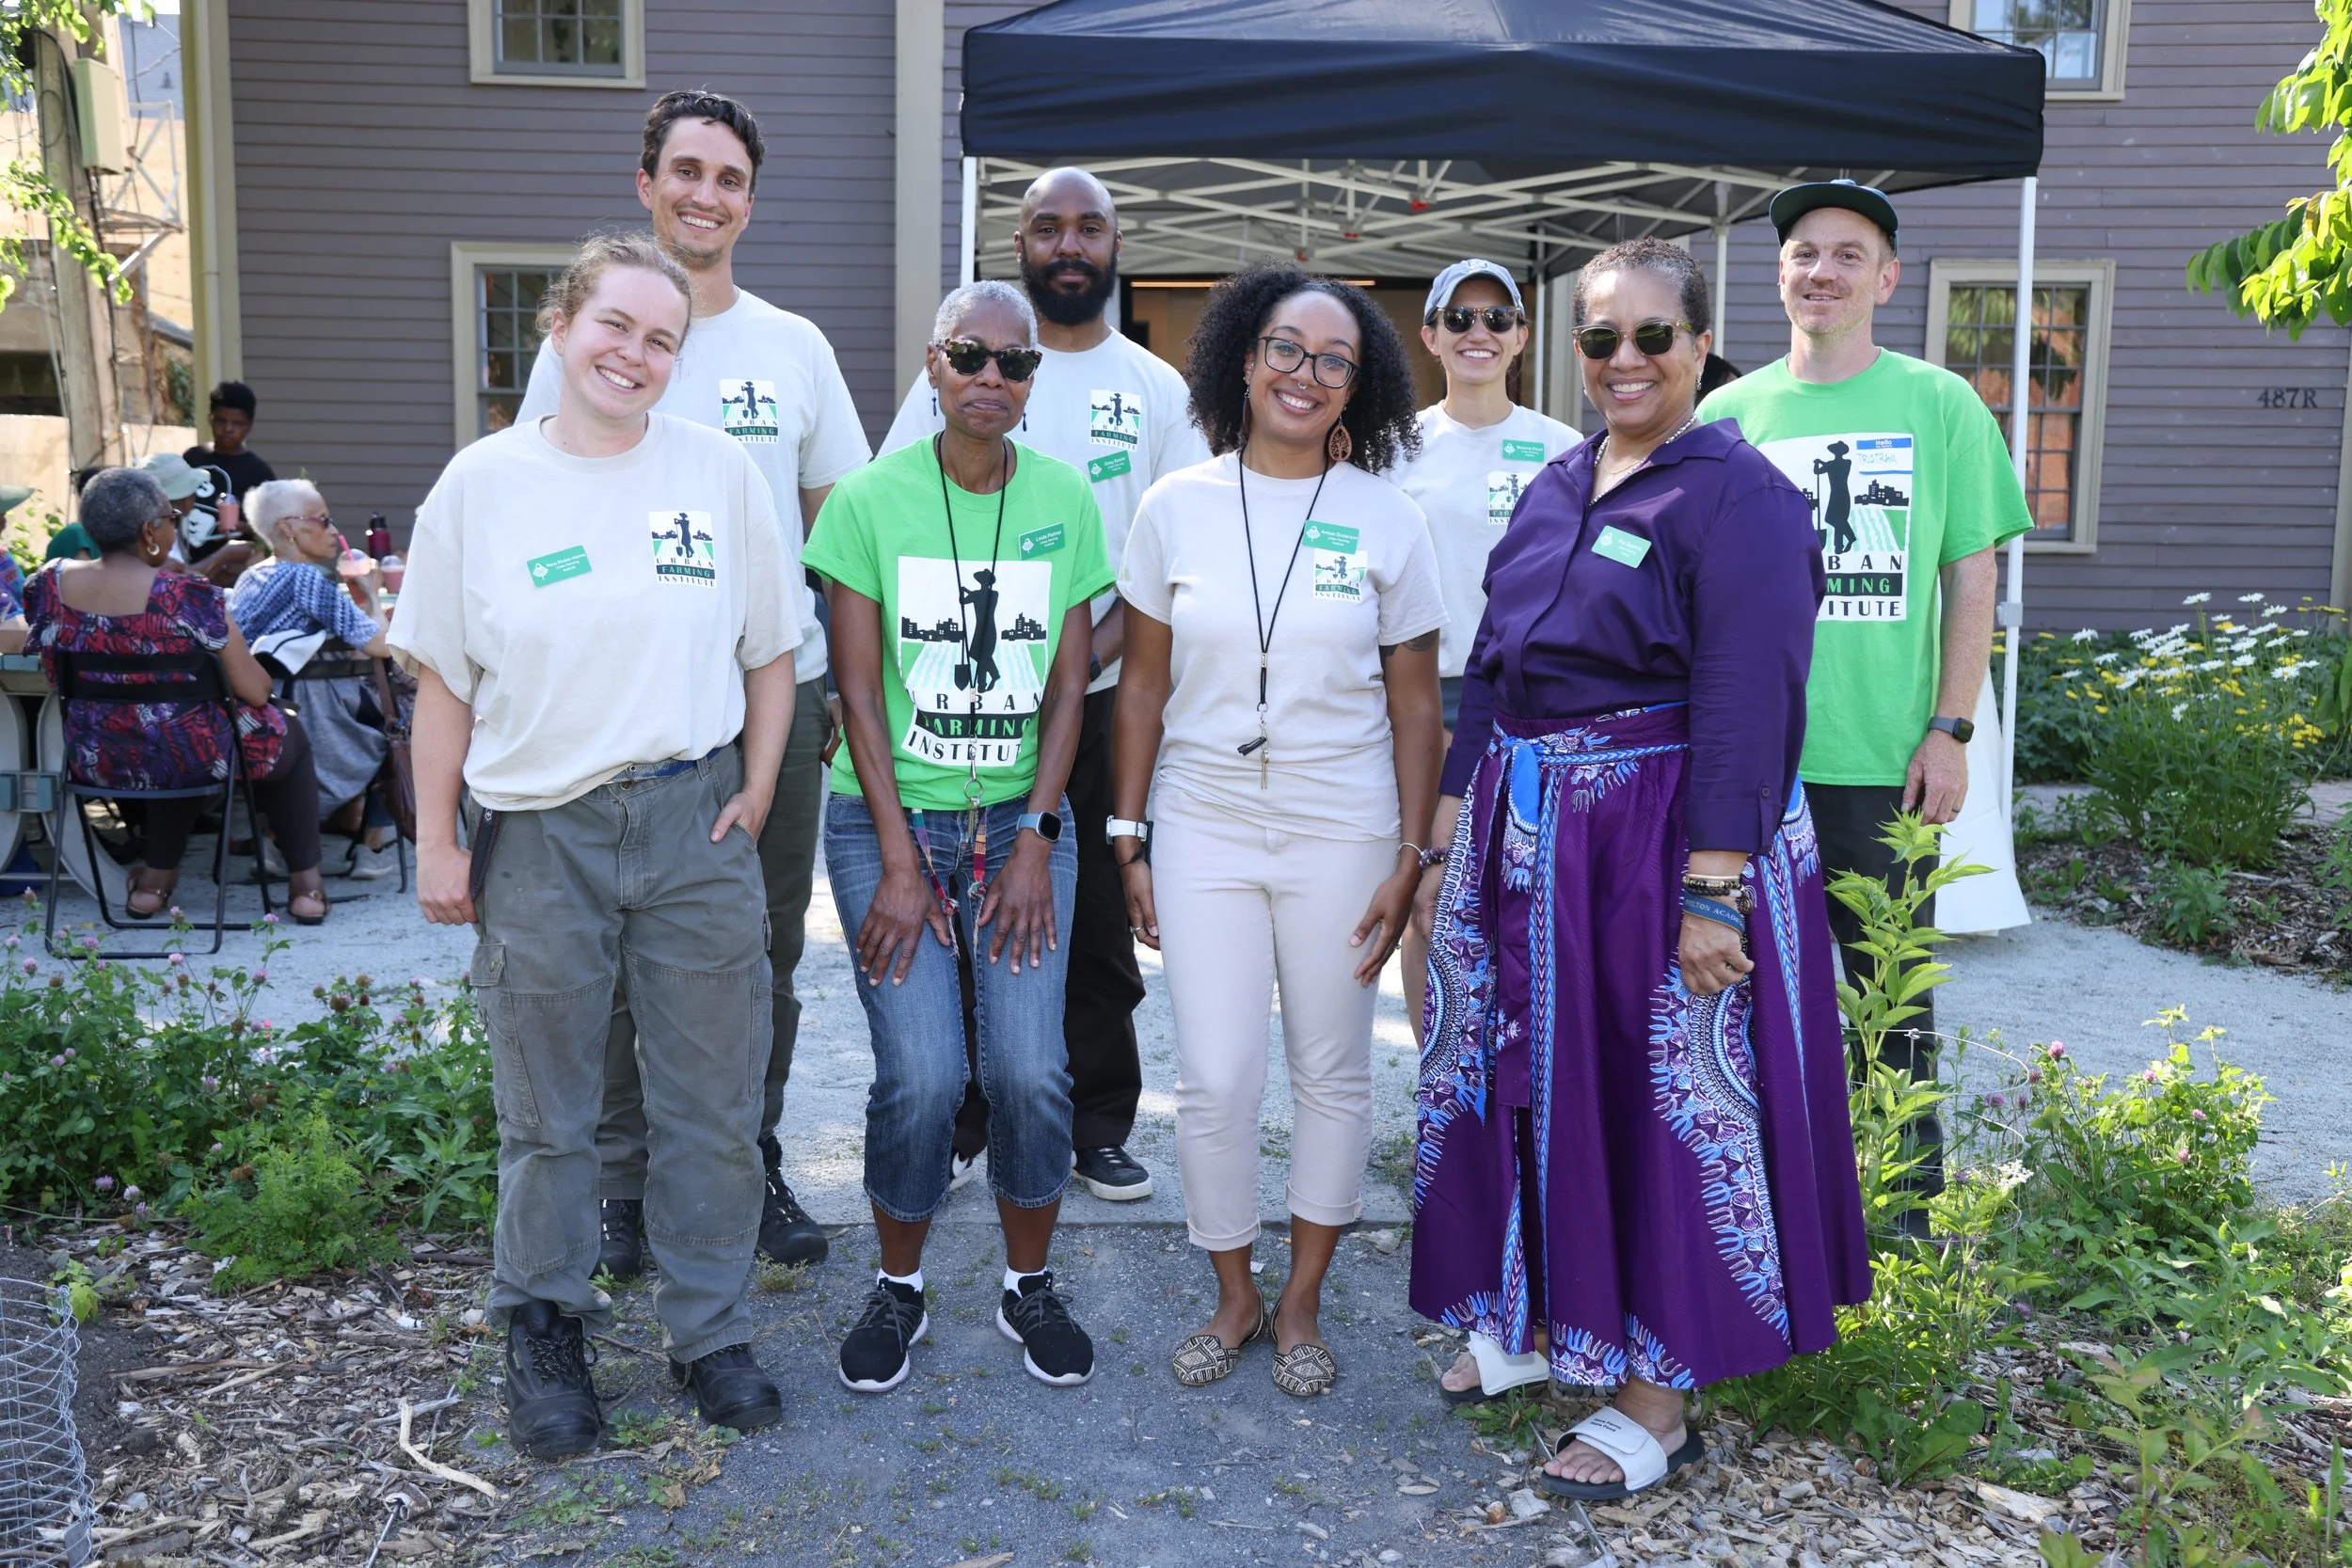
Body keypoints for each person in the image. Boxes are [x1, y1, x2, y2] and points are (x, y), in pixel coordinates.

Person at [1411, 238, 1869, 1497]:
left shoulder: (1743, 497)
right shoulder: (1556, 482)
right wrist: (1447, 837)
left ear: (1699, 345)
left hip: (1661, 841)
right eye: (1602, 337)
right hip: (1530, 836)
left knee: (1652, 1101)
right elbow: (1496, 668)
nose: (1625, 359)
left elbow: (1746, 701)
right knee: (1516, 1074)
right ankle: (1541, 1317)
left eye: (1652, 337)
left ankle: (1655, 1400)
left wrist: (1711, 887)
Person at [396, 232, 801, 1456]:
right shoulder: (479, 486)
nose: (635, 352)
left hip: (693, 819)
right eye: (614, 325)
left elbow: (772, 652)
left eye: (661, 337)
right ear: (562, 329)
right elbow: (444, 687)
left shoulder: (719, 473)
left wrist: (761, 787)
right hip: (540, 832)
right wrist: (434, 839)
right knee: (549, 1113)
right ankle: (545, 1329)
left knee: (712, 1108)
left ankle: (710, 1330)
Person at [516, 89, 868, 1275]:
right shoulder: (585, 342)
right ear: (645, 184)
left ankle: (745, 1164)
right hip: (620, 715)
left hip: (770, 708)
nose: (704, 193)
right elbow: (530, 507)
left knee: (760, 957)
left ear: (749, 203)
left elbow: (842, 535)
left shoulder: (794, 347)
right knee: (616, 957)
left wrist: (833, 693)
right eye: (685, 171)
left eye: (727, 177)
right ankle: (623, 1189)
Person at [1113, 262, 1443, 1398]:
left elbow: (1415, 702)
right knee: (1212, 1073)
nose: (1306, 374)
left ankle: (1299, 1298)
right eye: (1287, 350)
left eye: (1335, 360)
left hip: (1342, 817)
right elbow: (1143, 688)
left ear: (1358, 387)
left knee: (1331, 1068)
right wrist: (1126, 832)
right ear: (1245, 360)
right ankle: (1232, 1290)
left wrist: (1409, 855)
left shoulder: (1386, 517)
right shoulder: (1174, 506)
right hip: (1201, 811)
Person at [1699, 181, 2031, 1233]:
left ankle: (1896, 1222)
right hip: (1751, 763)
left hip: (1881, 760)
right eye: (1804, 252)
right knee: (1736, 992)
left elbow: (1969, 576)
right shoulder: (1726, 415)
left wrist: (1950, 726)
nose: (1822, 270)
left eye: (1848, 254)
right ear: (1779, 274)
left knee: (1887, 1002)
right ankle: (1754, 1207)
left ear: (1885, 280)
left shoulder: (1938, 404)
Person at [881, 167, 1209, 1204]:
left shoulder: (1157, 391)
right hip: (962, 686)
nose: (1069, 244)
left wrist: (1075, 662)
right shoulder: (958, 365)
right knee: (971, 893)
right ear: (1016, 242)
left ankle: (1098, 1117)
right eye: (1047, 227)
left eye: (1090, 228)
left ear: (1117, 245)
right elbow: (892, 513)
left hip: (1104, 694)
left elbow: (1176, 559)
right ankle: (971, 1115)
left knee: (1098, 915)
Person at [804, 279, 1106, 1396]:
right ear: (932, 365)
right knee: (923, 1076)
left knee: (1029, 1070)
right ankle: (901, 1284)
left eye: (1014, 363)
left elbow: (1073, 685)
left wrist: (1034, 833)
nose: (992, 378)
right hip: (889, 819)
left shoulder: (1067, 499)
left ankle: (1027, 1282)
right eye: (970, 356)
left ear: (1035, 380)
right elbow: (855, 690)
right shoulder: (868, 502)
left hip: (1022, 823)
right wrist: (894, 860)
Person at [1389, 259, 1580, 1042]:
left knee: (1528, 894)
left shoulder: (1566, 448)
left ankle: (1520, 1094)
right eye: (1459, 318)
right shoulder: (1390, 449)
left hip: (1533, 697)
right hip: (1422, 691)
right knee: (1425, 890)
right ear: (1430, 335)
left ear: (1522, 339)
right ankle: (1440, 1090)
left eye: (1497, 318)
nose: (1479, 332)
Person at [24, 467, 331, 924]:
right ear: (150, 530)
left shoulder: (47, 586)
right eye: (170, 517)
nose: (174, 525)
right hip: (191, 755)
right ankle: (306, 884)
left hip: (94, 758)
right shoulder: (188, 595)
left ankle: (154, 881)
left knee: (181, 731)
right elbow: (256, 689)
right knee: (272, 731)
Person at [230, 479, 401, 880]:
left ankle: (277, 838)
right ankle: (370, 844)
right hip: (316, 721)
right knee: (403, 719)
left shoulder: (250, 578)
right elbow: (381, 644)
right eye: (323, 521)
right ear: (290, 527)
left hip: (257, 719)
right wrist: (372, 594)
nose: (335, 531)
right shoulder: (307, 579)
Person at [138, 451, 249, 588]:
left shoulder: (172, 524)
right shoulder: (155, 534)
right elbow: (176, 580)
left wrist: (212, 575)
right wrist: (224, 554)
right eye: (191, 490)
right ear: (182, 497)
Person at [183, 381, 278, 500]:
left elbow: (271, 517)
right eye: (221, 421)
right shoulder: (192, 459)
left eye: (237, 424)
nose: (228, 429)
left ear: (249, 426)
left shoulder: (259, 473)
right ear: (210, 420)